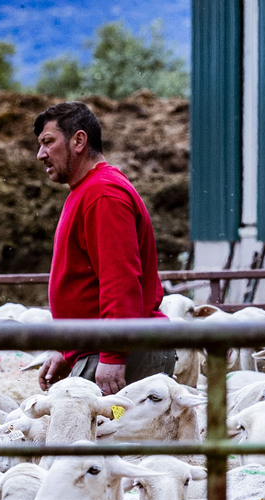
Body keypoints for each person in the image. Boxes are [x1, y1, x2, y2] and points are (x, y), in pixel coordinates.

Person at [33, 101, 175, 396]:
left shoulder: (102, 194)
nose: (41, 154)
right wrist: (68, 349)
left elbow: (120, 279)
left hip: (115, 352)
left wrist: (112, 354)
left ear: (79, 141)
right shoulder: (88, 189)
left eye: (48, 142)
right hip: (100, 347)